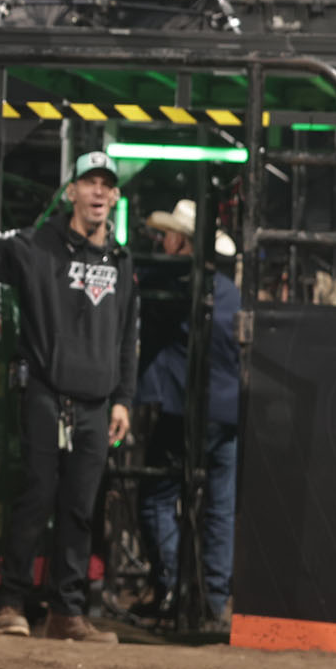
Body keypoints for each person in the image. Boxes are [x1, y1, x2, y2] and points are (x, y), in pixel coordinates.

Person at [0, 150, 138, 644]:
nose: (99, 191)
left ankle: (67, 613)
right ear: (71, 192)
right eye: (89, 182)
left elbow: (128, 338)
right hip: (45, 395)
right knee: (35, 499)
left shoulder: (122, 262)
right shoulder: (38, 246)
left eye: (106, 184)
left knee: (80, 510)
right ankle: (10, 604)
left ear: (115, 197)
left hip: (96, 405)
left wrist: (124, 399)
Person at [134, 199, 240, 629]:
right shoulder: (230, 291)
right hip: (228, 412)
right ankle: (212, 598)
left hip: (185, 408)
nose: (163, 242)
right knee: (219, 506)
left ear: (183, 241)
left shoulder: (178, 285)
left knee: (155, 496)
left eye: (169, 236)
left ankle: (174, 586)